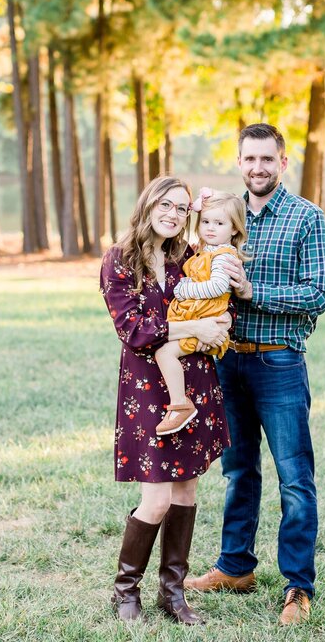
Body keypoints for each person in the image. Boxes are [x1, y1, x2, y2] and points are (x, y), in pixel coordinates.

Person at [184, 123, 325, 626]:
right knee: (238, 470)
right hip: (226, 361)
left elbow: (318, 294)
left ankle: (298, 587)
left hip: (280, 362)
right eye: (250, 159)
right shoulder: (223, 215)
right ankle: (235, 566)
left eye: (268, 159)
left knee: (295, 477)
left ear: (282, 163)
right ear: (240, 161)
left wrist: (253, 293)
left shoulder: (307, 218)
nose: (258, 168)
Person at [99, 175, 232, 625]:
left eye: (182, 208)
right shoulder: (119, 261)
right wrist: (194, 329)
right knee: (154, 499)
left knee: (186, 491)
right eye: (167, 205)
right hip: (147, 390)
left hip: (193, 383)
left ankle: (173, 594)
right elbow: (134, 329)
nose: (173, 215)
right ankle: (125, 591)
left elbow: (215, 294)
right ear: (149, 204)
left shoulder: (188, 258)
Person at [153, 189, 252, 436]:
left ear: (234, 229)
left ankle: (179, 405)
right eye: (205, 221)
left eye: (219, 223)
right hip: (197, 318)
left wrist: (185, 289)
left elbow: (219, 286)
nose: (210, 227)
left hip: (205, 319)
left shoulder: (223, 256)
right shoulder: (206, 251)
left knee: (165, 352)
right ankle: (180, 404)